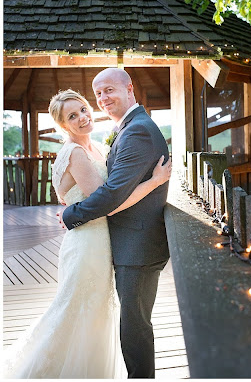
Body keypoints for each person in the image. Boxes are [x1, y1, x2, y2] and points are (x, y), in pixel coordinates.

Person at [3, 89, 171, 378]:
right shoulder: (76, 153)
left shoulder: (95, 147)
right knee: (76, 311)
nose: (82, 117)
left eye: (82, 109)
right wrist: (155, 182)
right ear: (62, 125)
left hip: (100, 241)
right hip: (87, 244)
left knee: (93, 315)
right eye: (72, 116)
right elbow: (109, 204)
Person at [59, 68, 172, 378]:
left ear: (129, 88)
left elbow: (112, 194)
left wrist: (72, 214)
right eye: (98, 94)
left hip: (138, 246)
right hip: (128, 242)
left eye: (108, 90)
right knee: (132, 323)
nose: (102, 98)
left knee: (134, 327)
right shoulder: (130, 127)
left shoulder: (137, 130)